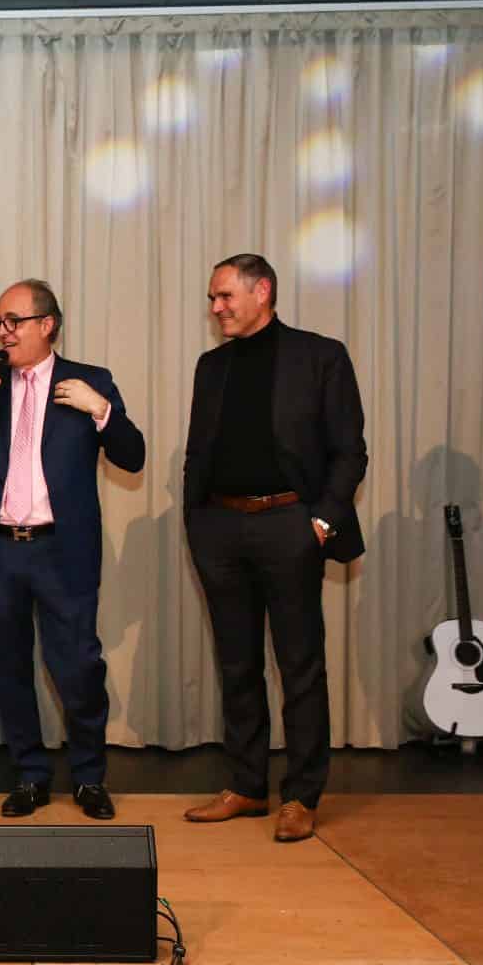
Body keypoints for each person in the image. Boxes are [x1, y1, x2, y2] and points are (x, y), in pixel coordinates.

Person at [0, 279, 144, 820]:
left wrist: (102, 411)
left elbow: (133, 456)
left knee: (77, 669)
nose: (3, 333)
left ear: (47, 324)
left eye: (14, 321)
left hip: (61, 550)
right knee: (9, 670)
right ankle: (30, 775)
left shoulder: (89, 381)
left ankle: (89, 777)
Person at [182, 254, 367, 843]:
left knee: (300, 666)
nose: (216, 308)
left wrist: (320, 522)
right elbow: (197, 453)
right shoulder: (211, 366)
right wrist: (197, 523)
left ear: (262, 292)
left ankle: (301, 796)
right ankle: (247, 785)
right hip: (220, 529)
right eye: (212, 299)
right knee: (237, 665)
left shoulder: (320, 356)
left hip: (290, 524)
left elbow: (350, 451)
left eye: (225, 296)